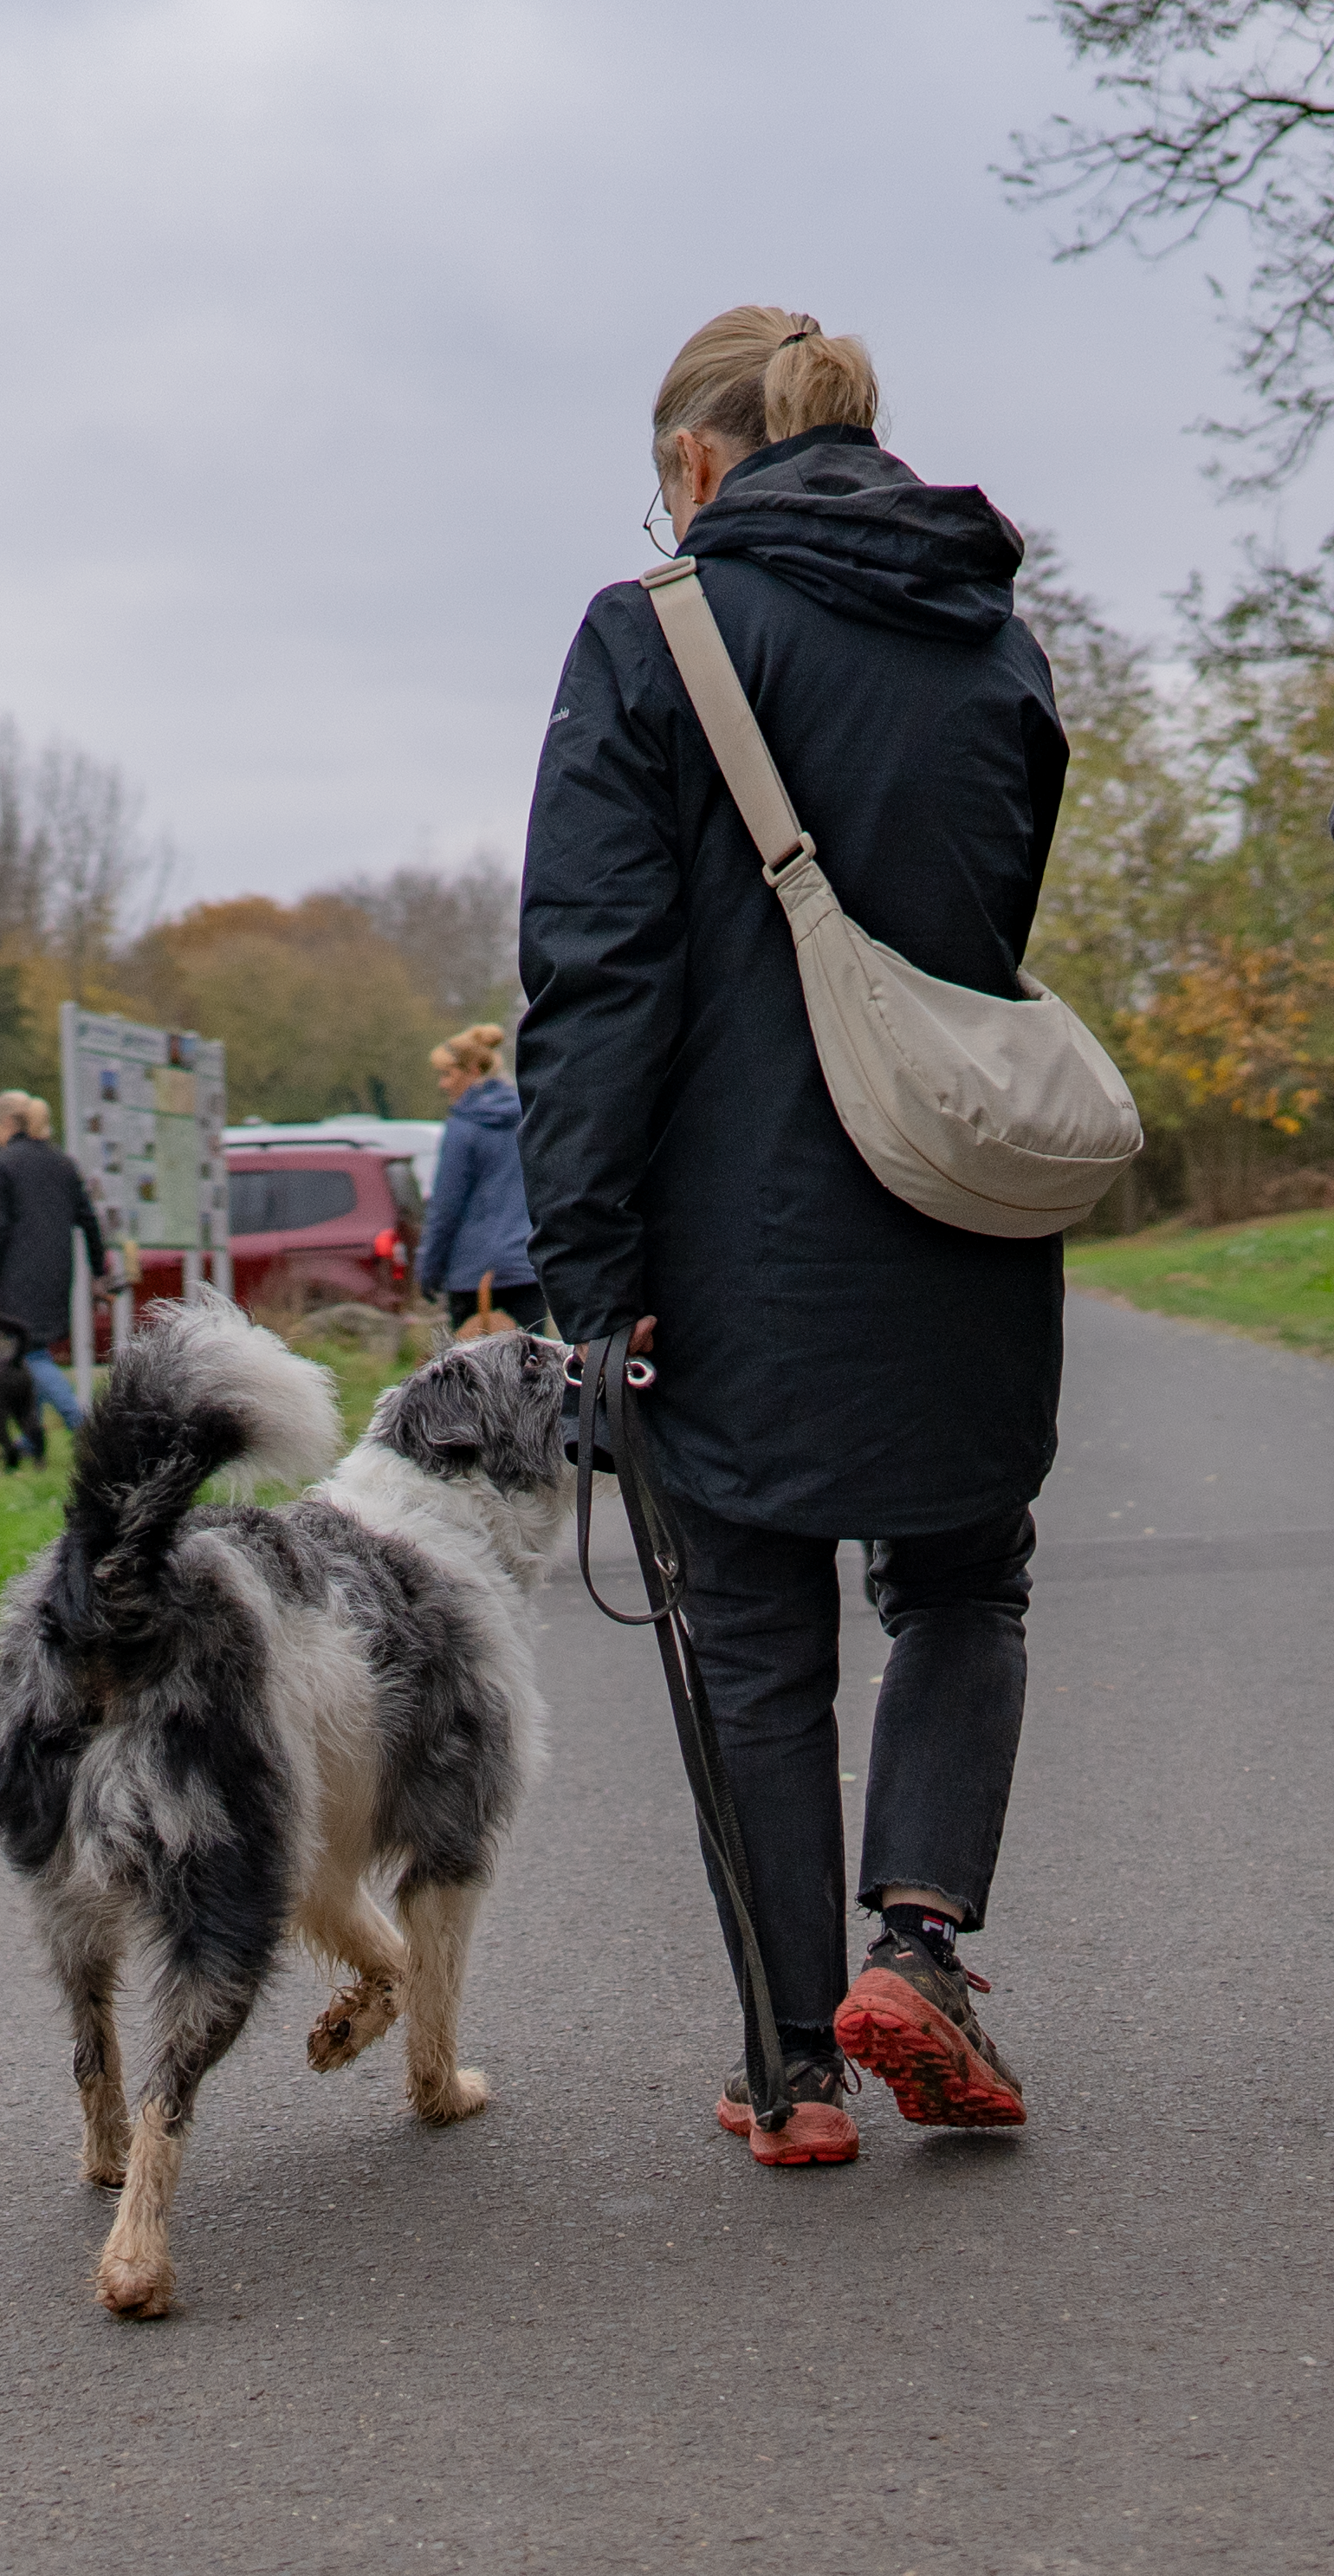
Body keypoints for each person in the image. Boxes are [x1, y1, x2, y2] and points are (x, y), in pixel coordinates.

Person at [518, 307, 1069, 2166]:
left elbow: (596, 982)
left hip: (727, 1233)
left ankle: (794, 2072)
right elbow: (989, 919)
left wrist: (589, 1275)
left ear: (693, 463)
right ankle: (917, 1945)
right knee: (963, 1580)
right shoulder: (994, 636)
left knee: (753, 1638)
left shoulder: (653, 633)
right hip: (959, 1201)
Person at [0, 1090, 109, 1427]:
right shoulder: (63, 1163)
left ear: (7, 1122)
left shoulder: (4, 1163)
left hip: (19, 1274)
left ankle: (81, 1426)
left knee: (30, 1353)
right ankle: (30, 1439)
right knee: (34, 1350)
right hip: (58, 1272)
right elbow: (89, 1221)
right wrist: (98, 1271)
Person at [416, 1022, 543, 1333]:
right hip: (525, 1269)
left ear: (472, 1070)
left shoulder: (463, 1127)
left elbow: (446, 1208)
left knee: (473, 1377)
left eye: (448, 1074)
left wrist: (429, 1271)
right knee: (531, 1371)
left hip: (471, 1275)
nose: (443, 1085)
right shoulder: (529, 1116)